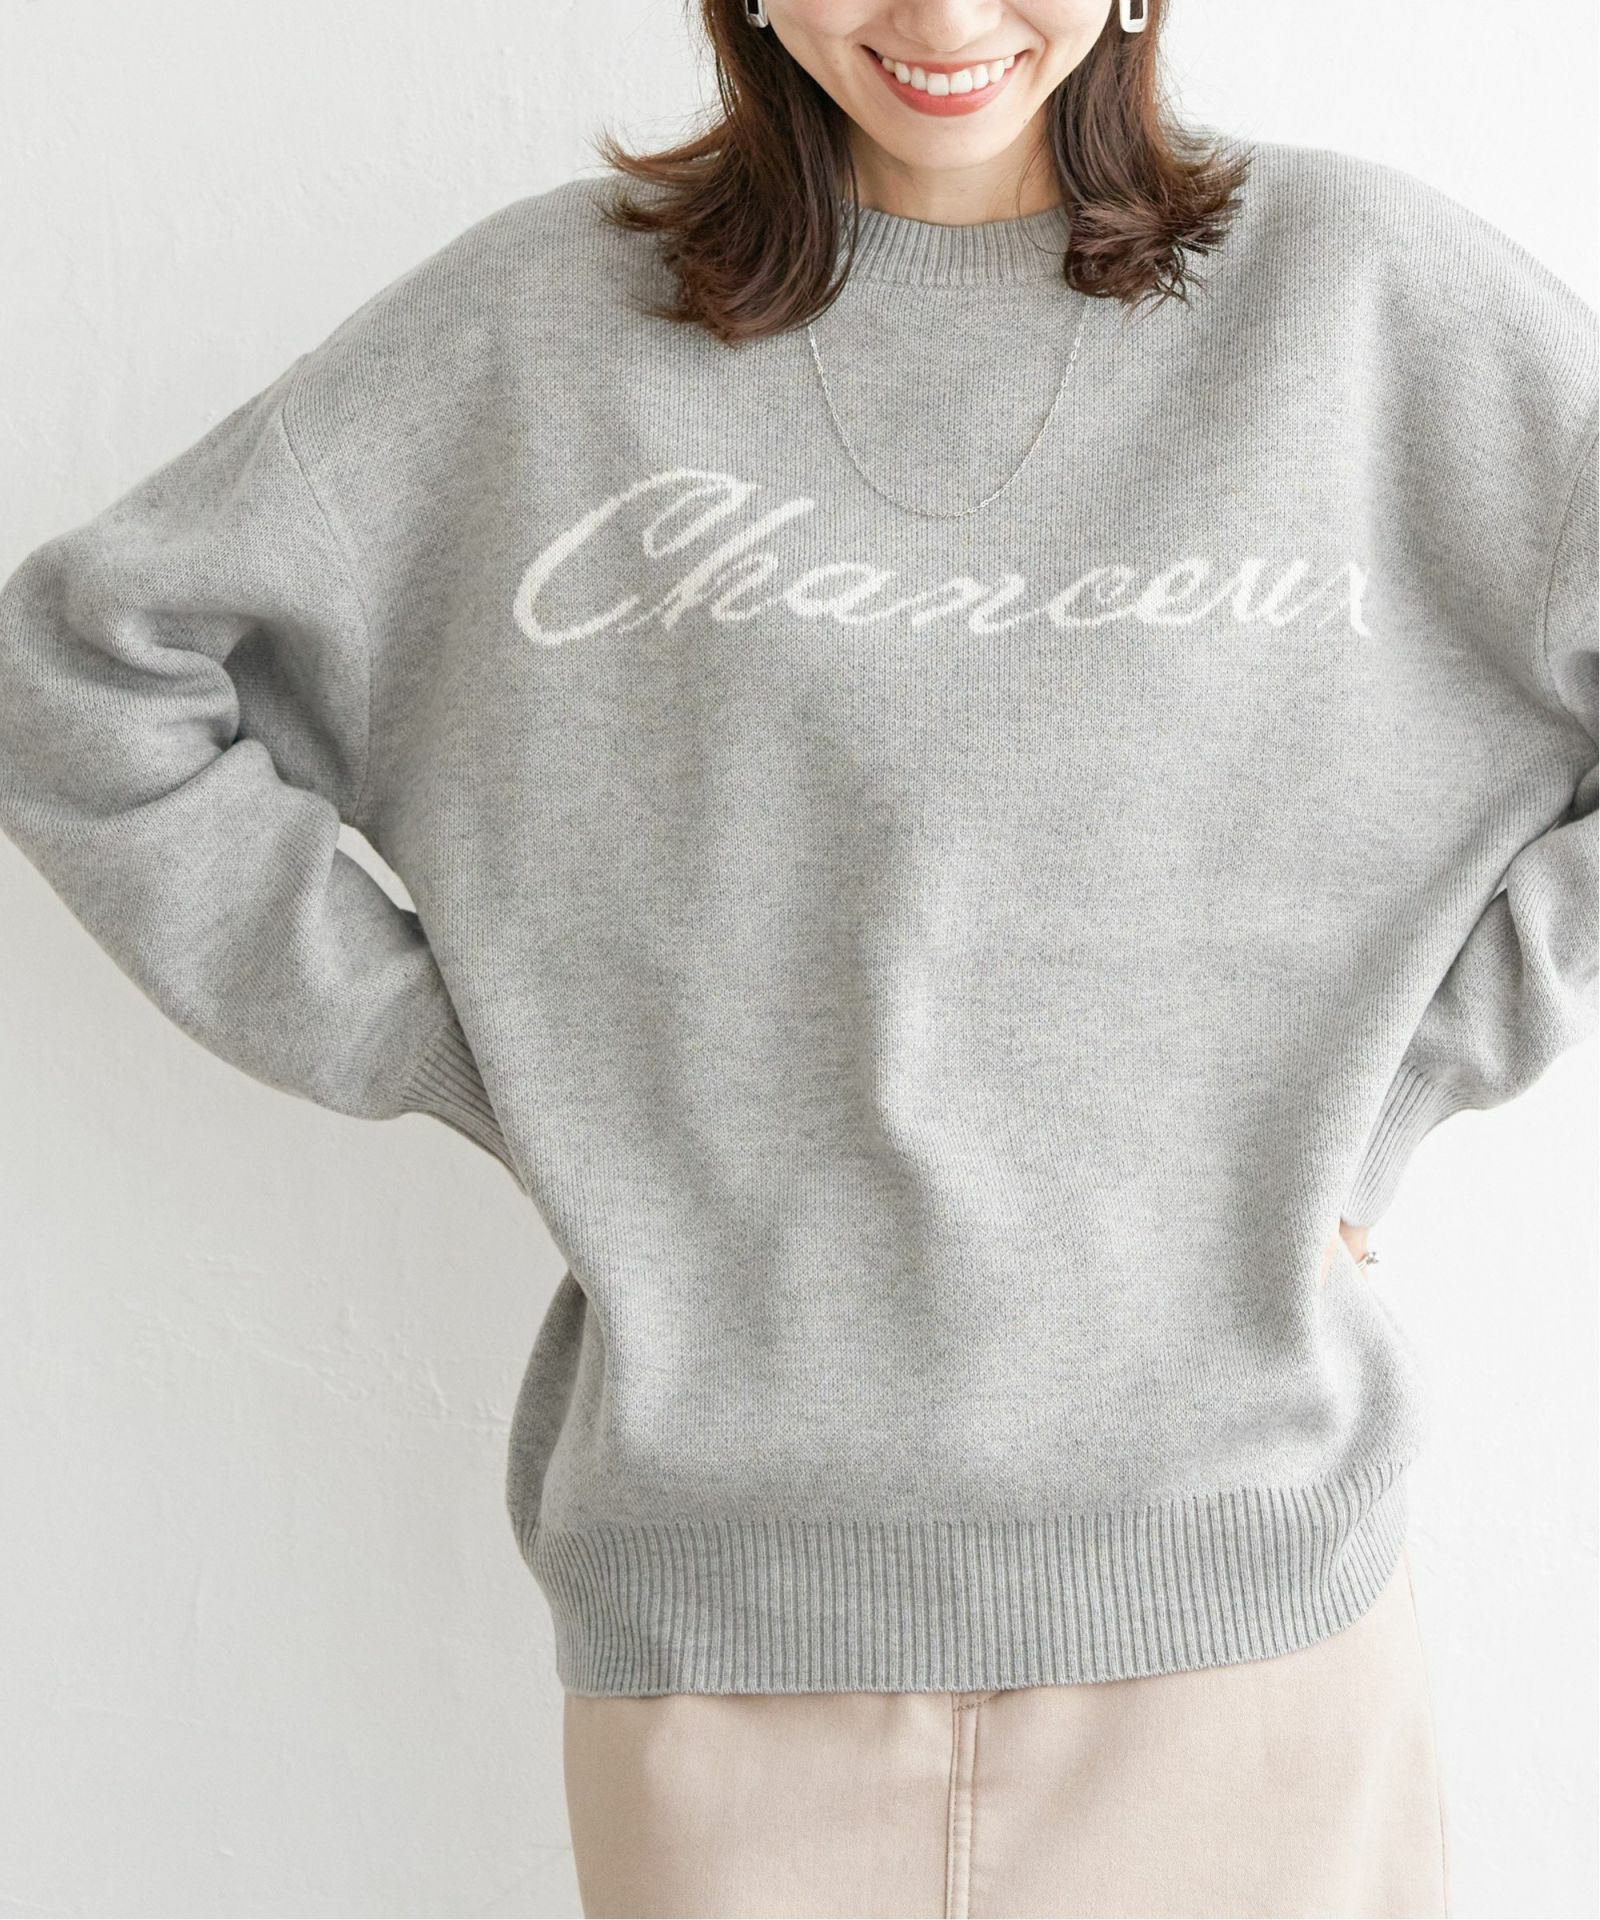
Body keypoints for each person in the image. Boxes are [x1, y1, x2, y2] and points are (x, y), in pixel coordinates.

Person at [1, 0, 1594, 1912]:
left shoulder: (1358, 302)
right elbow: (79, 686)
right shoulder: (533, 334)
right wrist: (486, 1055)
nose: (942, 20)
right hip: (726, 1651)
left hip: (1249, 1632)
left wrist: (1402, 1085)